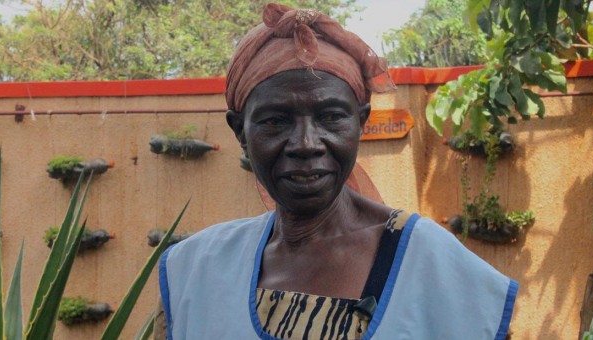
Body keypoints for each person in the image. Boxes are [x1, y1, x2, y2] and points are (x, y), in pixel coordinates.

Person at [159, 3, 518, 339]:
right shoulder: (195, 271)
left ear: (361, 122)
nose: (305, 143)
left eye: (331, 117)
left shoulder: (433, 266)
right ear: (239, 130)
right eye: (275, 120)